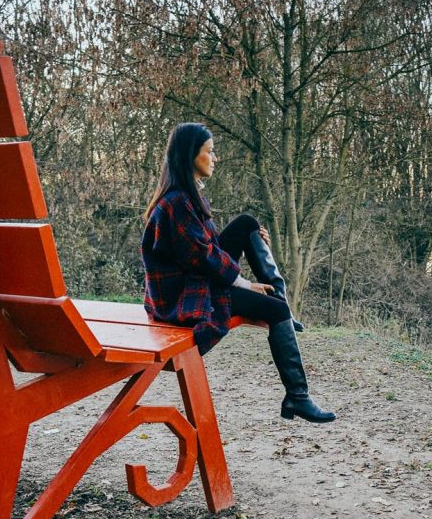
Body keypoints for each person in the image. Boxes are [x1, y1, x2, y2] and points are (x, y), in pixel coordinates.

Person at [141, 122, 335, 423]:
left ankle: (282, 301)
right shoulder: (177, 203)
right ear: (191, 155)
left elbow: (207, 247)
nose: (215, 158)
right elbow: (202, 257)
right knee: (276, 309)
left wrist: (253, 237)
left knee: (247, 224)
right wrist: (244, 283)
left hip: (193, 281)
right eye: (210, 151)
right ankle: (297, 397)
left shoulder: (186, 197)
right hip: (184, 297)